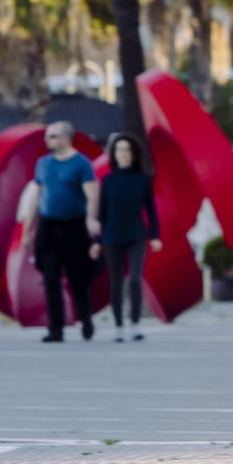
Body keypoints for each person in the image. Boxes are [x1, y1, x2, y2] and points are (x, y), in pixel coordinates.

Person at [19, 121, 100, 342]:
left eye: (52, 136)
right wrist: (27, 232)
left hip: (74, 225)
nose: (47, 141)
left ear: (66, 137)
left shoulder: (81, 163)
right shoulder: (43, 164)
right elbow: (35, 197)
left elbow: (92, 194)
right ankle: (56, 328)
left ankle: (86, 318)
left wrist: (91, 219)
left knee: (77, 278)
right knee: (50, 278)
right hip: (48, 226)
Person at [90, 132, 160, 343]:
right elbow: (101, 213)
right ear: (114, 154)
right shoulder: (108, 180)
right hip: (112, 236)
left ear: (133, 153)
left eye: (127, 149)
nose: (123, 153)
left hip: (137, 235)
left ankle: (135, 325)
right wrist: (96, 241)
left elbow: (152, 210)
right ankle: (119, 326)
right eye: (119, 149)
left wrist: (155, 236)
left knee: (136, 279)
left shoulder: (143, 179)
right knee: (117, 281)